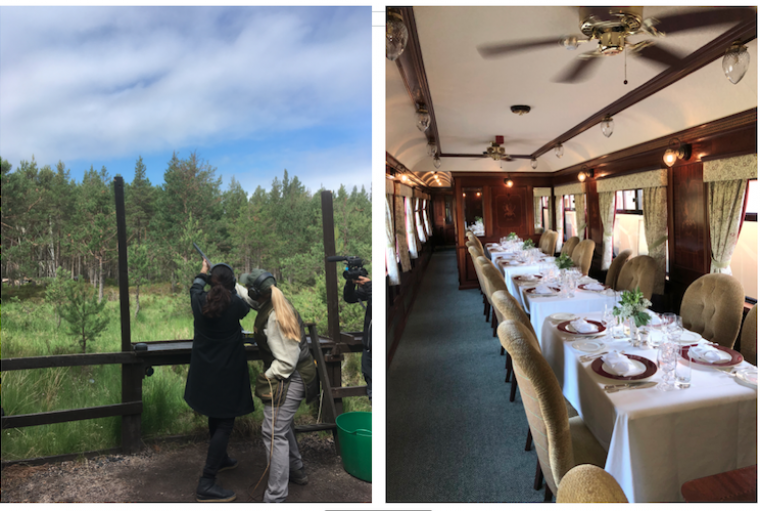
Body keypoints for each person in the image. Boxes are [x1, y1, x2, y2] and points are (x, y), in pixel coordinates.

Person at [237, 269, 317, 503]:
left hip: (291, 375)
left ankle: (276, 498)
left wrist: (267, 377)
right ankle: (296, 469)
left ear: (257, 291)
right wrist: (234, 286)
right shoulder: (274, 300)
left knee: (273, 433)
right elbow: (250, 299)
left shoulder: (275, 316)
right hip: (296, 373)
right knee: (281, 427)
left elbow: (286, 362)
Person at [185, 260, 253, 503]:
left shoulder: (198, 300)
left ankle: (221, 458)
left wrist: (204, 273)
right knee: (224, 422)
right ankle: (206, 482)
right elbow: (244, 305)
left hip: (205, 373)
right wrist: (228, 285)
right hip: (228, 373)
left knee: (217, 415)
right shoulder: (236, 305)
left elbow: (195, 287)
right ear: (231, 283)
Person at [343, 275, 372, 400]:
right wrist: (350, 281)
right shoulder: (372, 288)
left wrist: (370, 286)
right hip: (368, 349)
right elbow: (349, 297)